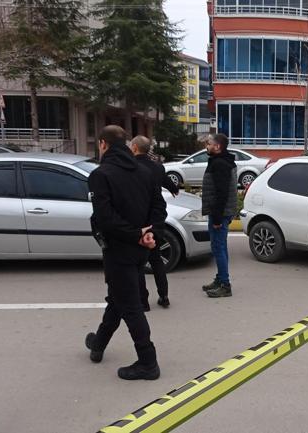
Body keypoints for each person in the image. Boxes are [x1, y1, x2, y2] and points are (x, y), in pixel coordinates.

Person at [84, 125, 167, 381]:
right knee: (119, 298)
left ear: (103, 145)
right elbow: (159, 207)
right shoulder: (144, 171)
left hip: (119, 251)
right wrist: (150, 233)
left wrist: (137, 234)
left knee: (130, 306)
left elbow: (105, 219)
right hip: (140, 250)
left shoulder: (101, 175)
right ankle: (98, 343)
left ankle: (147, 362)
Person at [129, 135, 179, 309]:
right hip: (156, 218)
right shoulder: (157, 167)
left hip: (138, 219)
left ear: (134, 148)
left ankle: (143, 300)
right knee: (156, 259)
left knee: (138, 264)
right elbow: (167, 182)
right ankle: (164, 296)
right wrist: (174, 189)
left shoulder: (131, 167)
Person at [201, 134, 238, 298]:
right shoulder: (222, 161)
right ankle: (220, 278)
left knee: (218, 248)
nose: (206, 146)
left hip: (220, 213)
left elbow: (221, 193)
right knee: (220, 246)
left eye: (208, 143)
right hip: (222, 212)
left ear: (217, 147)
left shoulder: (220, 164)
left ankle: (225, 284)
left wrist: (216, 218)